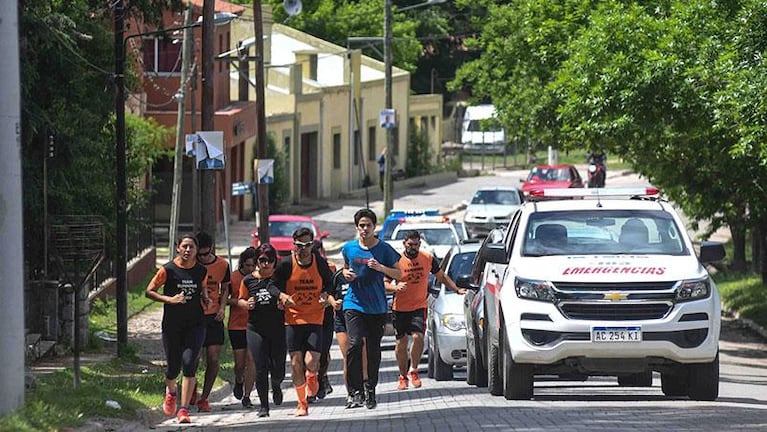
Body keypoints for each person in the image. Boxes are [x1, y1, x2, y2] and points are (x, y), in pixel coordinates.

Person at [385, 230, 465, 390]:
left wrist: (456, 289)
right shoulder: (396, 260)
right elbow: (385, 284)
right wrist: (395, 287)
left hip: (419, 306)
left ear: (420, 244)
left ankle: (413, 370)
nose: (412, 248)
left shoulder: (427, 258)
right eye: (410, 245)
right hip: (400, 307)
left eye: (415, 245)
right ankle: (402, 375)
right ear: (404, 244)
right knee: (401, 343)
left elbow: (441, 276)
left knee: (418, 336)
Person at [271, 227, 337, 417]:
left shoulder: (320, 263)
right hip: (292, 320)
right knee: (295, 362)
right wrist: (282, 295)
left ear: (312, 245)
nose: (304, 249)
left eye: (308, 245)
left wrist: (326, 294)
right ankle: (302, 404)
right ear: (294, 245)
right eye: (300, 245)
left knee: (312, 361)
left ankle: (312, 377)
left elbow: (330, 282)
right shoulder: (286, 264)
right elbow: (272, 284)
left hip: (315, 318)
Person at [341, 208, 402, 409]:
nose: (364, 229)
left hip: (376, 307)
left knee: (374, 351)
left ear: (374, 227)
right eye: (361, 226)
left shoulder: (383, 249)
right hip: (353, 303)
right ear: (357, 228)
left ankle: (370, 389)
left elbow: (399, 274)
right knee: (354, 344)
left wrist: (381, 268)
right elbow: (344, 267)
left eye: (368, 225)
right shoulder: (349, 248)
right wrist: (346, 274)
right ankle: (355, 390)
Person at [145, 233, 209, 424]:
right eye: (185, 246)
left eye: (192, 247)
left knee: (189, 364)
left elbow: (202, 288)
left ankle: (183, 409)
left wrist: (205, 297)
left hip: (196, 324)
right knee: (173, 367)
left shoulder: (200, 271)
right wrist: (169, 300)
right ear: (178, 248)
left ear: (197, 251)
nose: (188, 250)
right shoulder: (168, 270)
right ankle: (171, 392)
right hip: (173, 325)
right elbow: (149, 291)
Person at [238, 244, 293, 418]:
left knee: (278, 370)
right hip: (255, 329)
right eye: (262, 260)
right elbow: (240, 299)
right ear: (257, 261)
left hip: (277, 328)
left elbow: (290, 299)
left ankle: (276, 385)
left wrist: (283, 304)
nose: (266, 264)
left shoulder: (280, 279)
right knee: (260, 367)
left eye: (270, 260)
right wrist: (246, 304)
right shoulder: (248, 280)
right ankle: (264, 406)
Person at [192, 231, 231, 413]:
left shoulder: (223, 265)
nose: (203, 258)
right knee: (193, 357)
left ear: (212, 249)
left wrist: (223, 308)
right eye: (200, 255)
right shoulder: (191, 265)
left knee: (213, 359)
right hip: (195, 316)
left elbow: (225, 289)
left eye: (206, 254)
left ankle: (204, 398)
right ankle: (192, 388)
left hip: (214, 316)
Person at [227, 247, 258, 408]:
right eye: (247, 266)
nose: (251, 269)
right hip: (236, 325)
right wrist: (240, 302)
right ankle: (239, 380)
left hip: (255, 326)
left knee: (251, 360)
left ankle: (247, 395)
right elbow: (224, 299)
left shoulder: (260, 278)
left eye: (254, 266)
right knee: (239, 364)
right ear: (241, 264)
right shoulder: (233, 277)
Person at [312, 239, 337, 402]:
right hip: (307, 315)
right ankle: (311, 384)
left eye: (320, 252)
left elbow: (334, 289)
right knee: (310, 352)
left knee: (323, 353)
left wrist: (330, 301)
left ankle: (322, 377)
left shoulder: (331, 267)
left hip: (326, 315)